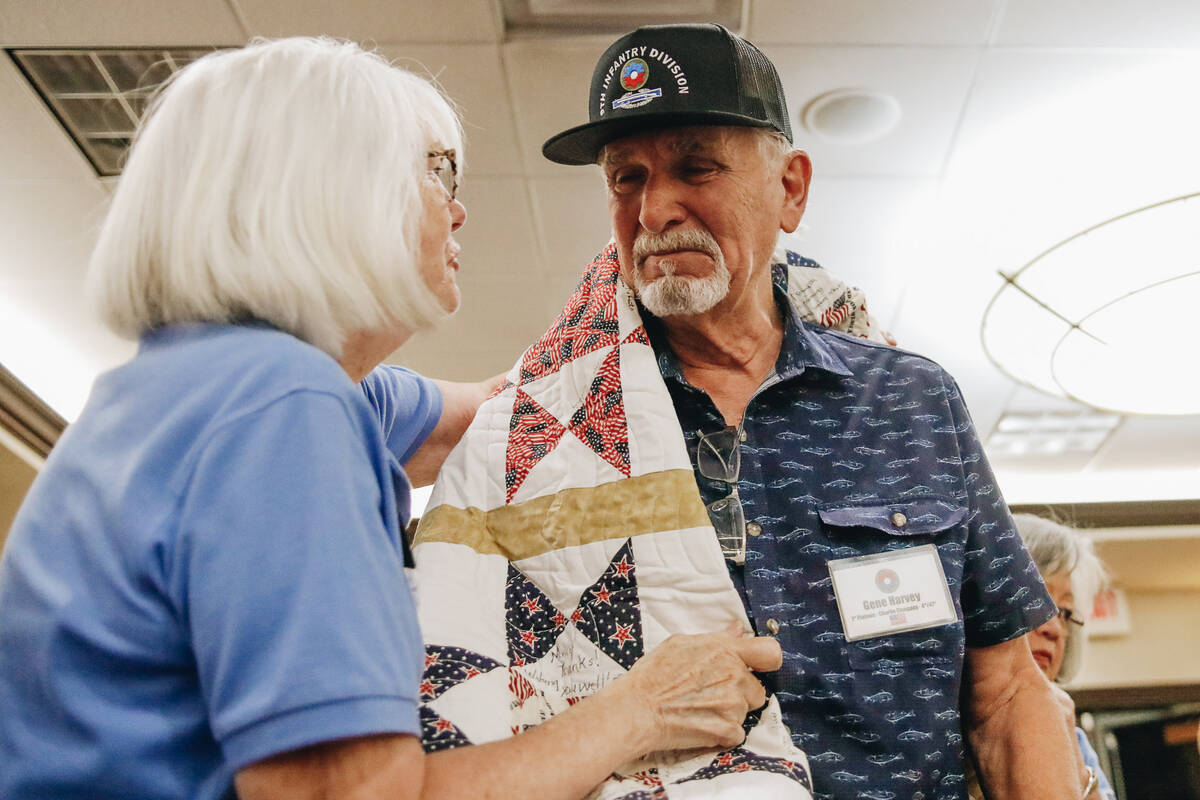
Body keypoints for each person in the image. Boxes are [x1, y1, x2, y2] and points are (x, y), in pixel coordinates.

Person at [0, 37, 781, 800]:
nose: (462, 207)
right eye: (441, 172)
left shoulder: (216, 385)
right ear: (332, 187)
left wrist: (671, 313)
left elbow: (512, 413)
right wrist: (639, 710)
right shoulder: (283, 411)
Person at [532, 22, 1094, 800]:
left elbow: (1005, 694)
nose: (655, 207)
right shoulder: (567, 431)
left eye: (696, 166)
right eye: (626, 178)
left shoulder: (913, 402)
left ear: (790, 189)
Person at [991, 513, 1115, 800]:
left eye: (1065, 613)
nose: (1054, 629)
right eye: (1035, 602)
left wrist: (1070, 756)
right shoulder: (932, 727)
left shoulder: (1076, 742)